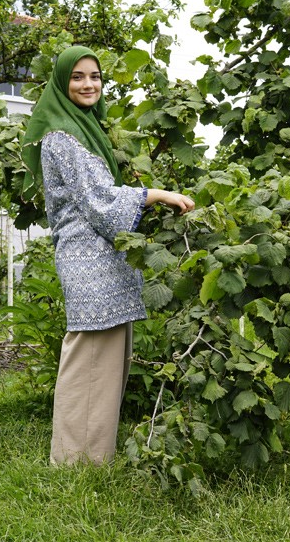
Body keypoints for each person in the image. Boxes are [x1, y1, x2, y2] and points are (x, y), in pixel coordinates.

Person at [21, 45, 195, 465]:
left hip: (104, 263)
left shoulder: (85, 127)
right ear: (62, 84)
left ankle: (94, 458)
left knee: (107, 363)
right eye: (77, 77)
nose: (88, 84)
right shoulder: (62, 136)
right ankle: (73, 463)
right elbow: (99, 201)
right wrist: (158, 194)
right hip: (87, 261)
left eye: (95, 76)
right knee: (88, 362)